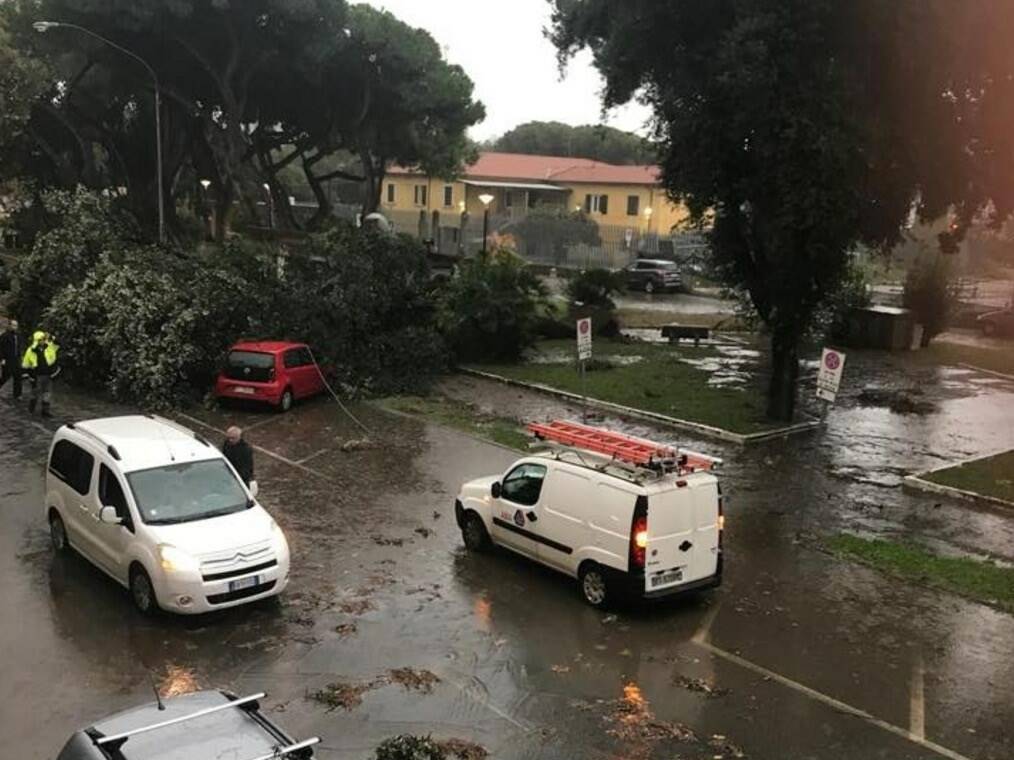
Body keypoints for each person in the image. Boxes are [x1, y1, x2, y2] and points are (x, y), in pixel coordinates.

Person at [22, 330, 59, 417]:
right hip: (36, 375)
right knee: (35, 393)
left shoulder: (49, 347)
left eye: (43, 339)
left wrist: (51, 336)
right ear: (37, 340)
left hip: (48, 374)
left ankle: (45, 411)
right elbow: (25, 363)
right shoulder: (31, 350)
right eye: (40, 339)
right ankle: (31, 409)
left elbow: (57, 344)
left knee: (47, 393)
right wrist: (28, 375)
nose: (43, 341)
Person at [0, 318, 22, 400]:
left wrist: (20, 357)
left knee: (18, 377)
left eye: (16, 325)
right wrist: (2, 359)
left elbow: (19, 347)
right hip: (7, 359)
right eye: (13, 325)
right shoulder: (4, 336)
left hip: (16, 359)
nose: (15, 327)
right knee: (5, 377)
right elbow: (1, 348)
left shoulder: (18, 336)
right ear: (9, 326)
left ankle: (17, 395)